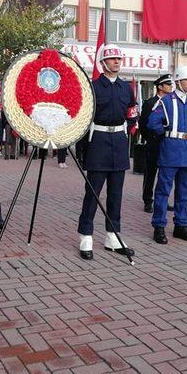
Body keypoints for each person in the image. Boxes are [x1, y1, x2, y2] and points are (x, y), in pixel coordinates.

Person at [77, 44, 136, 260]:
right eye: (112, 59)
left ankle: (113, 236)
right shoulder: (93, 87)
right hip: (98, 141)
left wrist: (132, 124)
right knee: (92, 193)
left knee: (116, 194)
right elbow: (83, 119)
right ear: (102, 63)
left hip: (119, 142)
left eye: (119, 59)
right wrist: (83, 149)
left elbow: (132, 110)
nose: (116, 62)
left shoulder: (125, 88)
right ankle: (86, 236)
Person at [147, 66, 187, 245]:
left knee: (185, 191)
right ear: (178, 81)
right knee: (163, 190)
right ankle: (159, 226)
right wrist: (164, 132)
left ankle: (181, 225)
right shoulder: (166, 101)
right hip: (170, 149)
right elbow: (152, 122)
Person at [139, 74, 174, 214]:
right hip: (154, 143)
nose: (170, 87)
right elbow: (143, 124)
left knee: (165, 174)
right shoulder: (150, 103)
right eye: (168, 84)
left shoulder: (172, 102)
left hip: (168, 143)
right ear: (160, 87)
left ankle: (162, 201)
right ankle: (148, 200)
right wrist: (150, 139)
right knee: (150, 173)